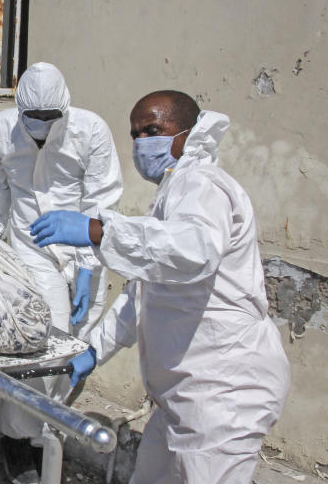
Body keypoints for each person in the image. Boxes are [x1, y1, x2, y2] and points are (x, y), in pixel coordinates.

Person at [30, 91, 290, 484]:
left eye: (152, 130)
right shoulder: (173, 192)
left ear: (187, 132)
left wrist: (98, 230)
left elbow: (194, 249)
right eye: (135, 135)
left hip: (223, 395)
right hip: (182, 399)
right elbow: (144, 294)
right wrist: (93, 350)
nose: (141, 144)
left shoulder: (202, 184)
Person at [0, 62, 123, 483]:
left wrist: (90, 266)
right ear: (19, 109)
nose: (41, 124)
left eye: (49, 117)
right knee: (42, 346)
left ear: (65, 109)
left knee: (79, 349)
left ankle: (45, 436)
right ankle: (18, 440)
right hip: (29, 246)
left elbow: (102, 199)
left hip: (82, 247)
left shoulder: (90, 131)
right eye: (33, 117)